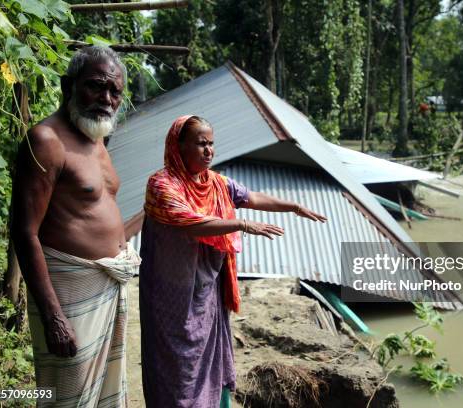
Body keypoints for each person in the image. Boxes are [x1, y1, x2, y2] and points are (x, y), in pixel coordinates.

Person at [139, 115, 327, 407]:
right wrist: (240, 225)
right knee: (175, 366)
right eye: (201, 144)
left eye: (212, 144)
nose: (209, 151)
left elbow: (252, 197)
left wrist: (294, 206)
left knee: (209, 358)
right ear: (179, 146)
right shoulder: (162, 185)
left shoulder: (217, 183)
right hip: (169, 294)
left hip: (206, 290)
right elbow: (192, 223)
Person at [11, 46, 140, 407]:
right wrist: (53, 316)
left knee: (102, 396)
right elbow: (24, 232)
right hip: (68, 295)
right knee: (65, 398)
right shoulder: (46, 141)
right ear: (68, 85)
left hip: (106, 288)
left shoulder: (97, 139)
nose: (107, 98)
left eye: (115, 91)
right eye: (96, 86)